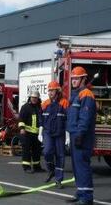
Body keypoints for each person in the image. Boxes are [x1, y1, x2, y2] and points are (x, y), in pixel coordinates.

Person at [65, 66, 96, 205]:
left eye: (77, 78)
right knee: (76, 166)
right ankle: (80, 191)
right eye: (73, 79)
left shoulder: (86, 94)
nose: (74, 81)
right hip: (74, 134)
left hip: (82, 135)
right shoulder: (76, 95)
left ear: (84, 79)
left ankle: (87, 197)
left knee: (82, 165)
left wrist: (80, 134)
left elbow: (85, 117)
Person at [41, 81, 69, 188]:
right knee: (47, 152)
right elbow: (41, 119)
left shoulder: (64, 103)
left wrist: (68, 134)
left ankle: (58, 180)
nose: (50, 92)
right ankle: (51, 170)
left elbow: (68, 119)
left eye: (52, 90)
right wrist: (40, 131)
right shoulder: (44, 104)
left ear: (57, 91)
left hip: (60, 133)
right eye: (49, 90)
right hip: (48, 133)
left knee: (60, 156)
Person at [18, 90, 44, 173]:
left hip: (37, 134)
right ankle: (26, 167)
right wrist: (22, 128)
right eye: (33, 97)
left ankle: (37, 166)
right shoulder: (25, 107)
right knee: (27, 150)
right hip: (27, 133)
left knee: (37, 151)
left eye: (35, 98)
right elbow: (21, 119)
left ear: (38, 98)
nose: (34, 99)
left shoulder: (40, 107)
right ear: (30, 97)